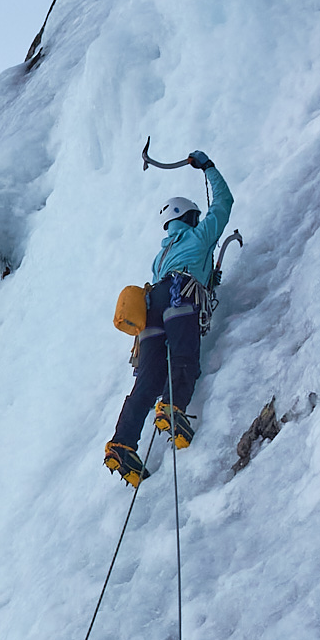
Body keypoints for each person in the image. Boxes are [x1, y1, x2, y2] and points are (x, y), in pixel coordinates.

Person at [103, 151, 233, 486]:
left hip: (151, 307)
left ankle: (122, 443)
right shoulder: (198, 235)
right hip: (181, 297)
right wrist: (208, 167)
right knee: (183, 357)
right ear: (189, 216)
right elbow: (224, 203)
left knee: (147, 380)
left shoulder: (160, 256)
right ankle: (173, 408)